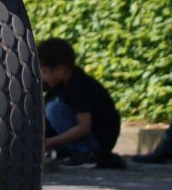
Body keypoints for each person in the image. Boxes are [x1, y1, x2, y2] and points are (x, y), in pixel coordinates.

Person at [38, 37, 124, 169]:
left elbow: (84, 127)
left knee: (53, 109)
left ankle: (85, 154)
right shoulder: (61, 85)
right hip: (92, 138)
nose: (42, 77)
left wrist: (49, 142)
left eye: (44, 72)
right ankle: (74, 152)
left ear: (60, 69)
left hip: (98, 140)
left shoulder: (80, 86)